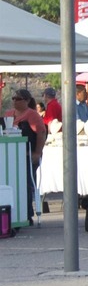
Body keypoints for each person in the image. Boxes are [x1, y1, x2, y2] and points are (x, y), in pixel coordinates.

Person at [4, 89, 46, 225]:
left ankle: (27, 213)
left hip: (28, 155)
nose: (15, 101)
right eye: (14, 99)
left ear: (27, 101)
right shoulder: (8, 114)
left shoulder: (32, 115)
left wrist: (37, 152)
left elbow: (41, 133)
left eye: (19, 99)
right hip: (11, 155)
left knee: (27, 183)